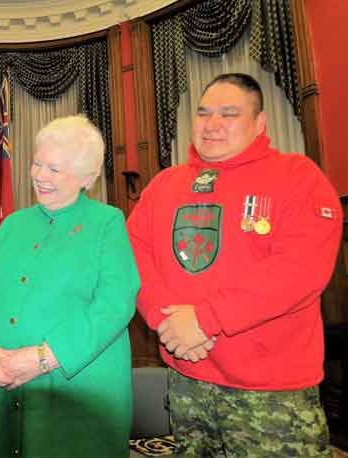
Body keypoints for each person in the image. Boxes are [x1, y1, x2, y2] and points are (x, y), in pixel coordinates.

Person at [127, 73, 342, 457]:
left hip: (272, 392)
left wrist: (206, 319)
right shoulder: (164, 185)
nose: (212, 124)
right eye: (204, 113)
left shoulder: (298, 176)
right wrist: (166, 322)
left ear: (259, 123)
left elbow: (299, 271)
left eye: (229, 114)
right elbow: (133, 254)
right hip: (187, 380)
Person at [0, 115, 140, 457]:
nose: (39, 176)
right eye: (37, 163)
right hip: (1, 390)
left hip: (75, 398)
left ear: (88, 177)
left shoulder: (107, 223)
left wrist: (43, 358)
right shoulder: (13, 224)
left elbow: (115, 304)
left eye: (54, 169)